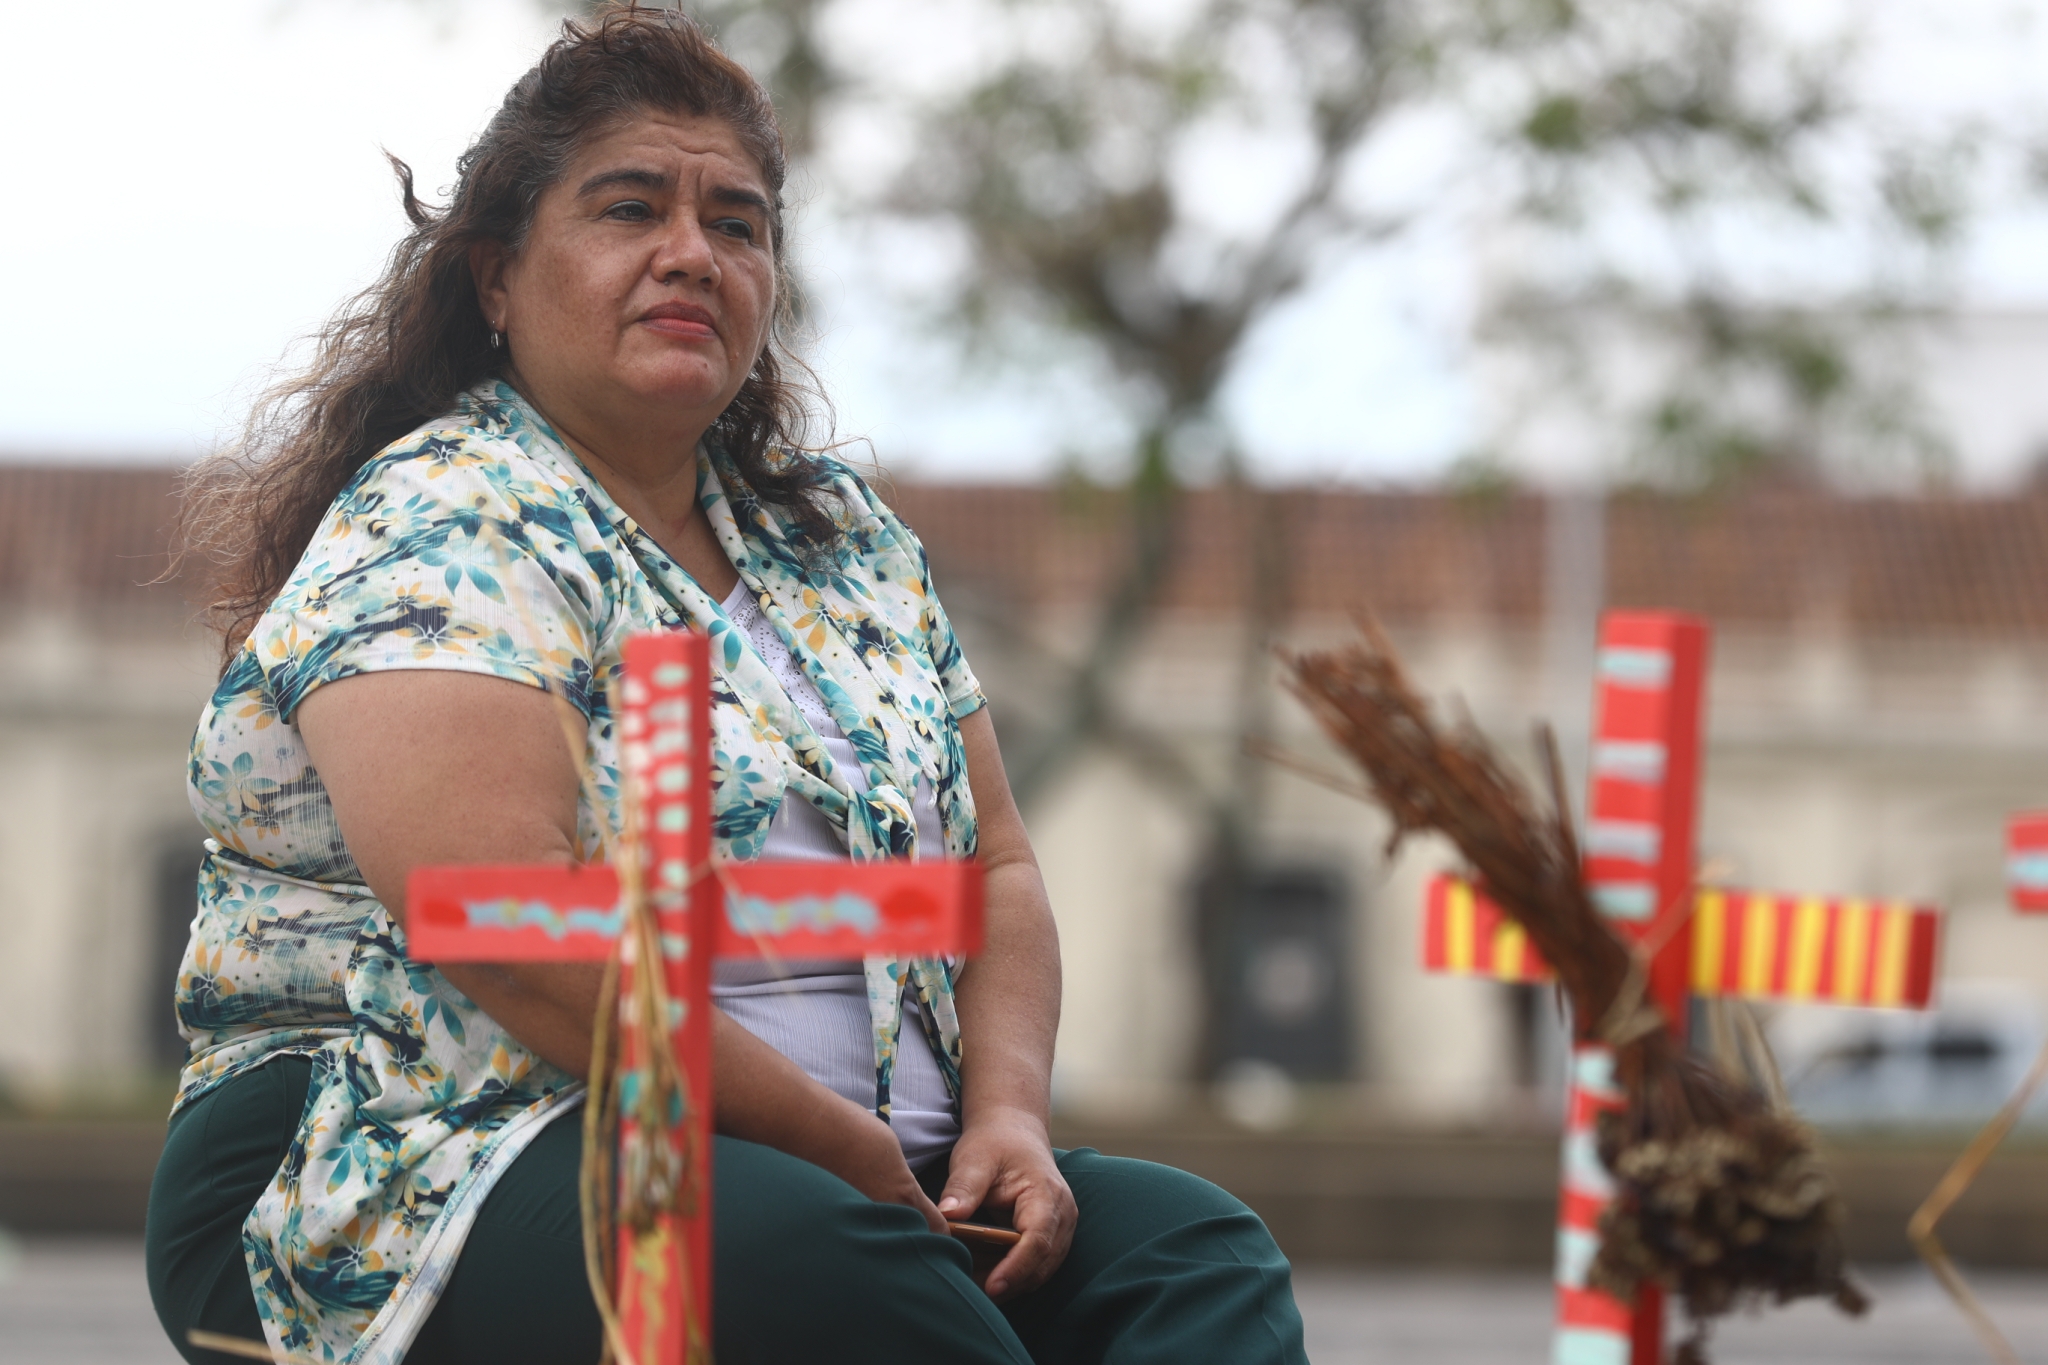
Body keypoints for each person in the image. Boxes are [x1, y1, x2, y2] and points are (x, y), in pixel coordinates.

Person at [145, 8, 1310, 1364]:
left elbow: (989, 871)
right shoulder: (442, 520)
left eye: (738, 224)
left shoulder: (846, 543)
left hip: (865, 1162)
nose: (691, 253)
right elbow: (509, 925)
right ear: (495, 278)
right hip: (413, 1157)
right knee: (847, 1287)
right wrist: (834, 1145)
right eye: (630, 207)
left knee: (1189, 1255)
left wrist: (1004, 1121)